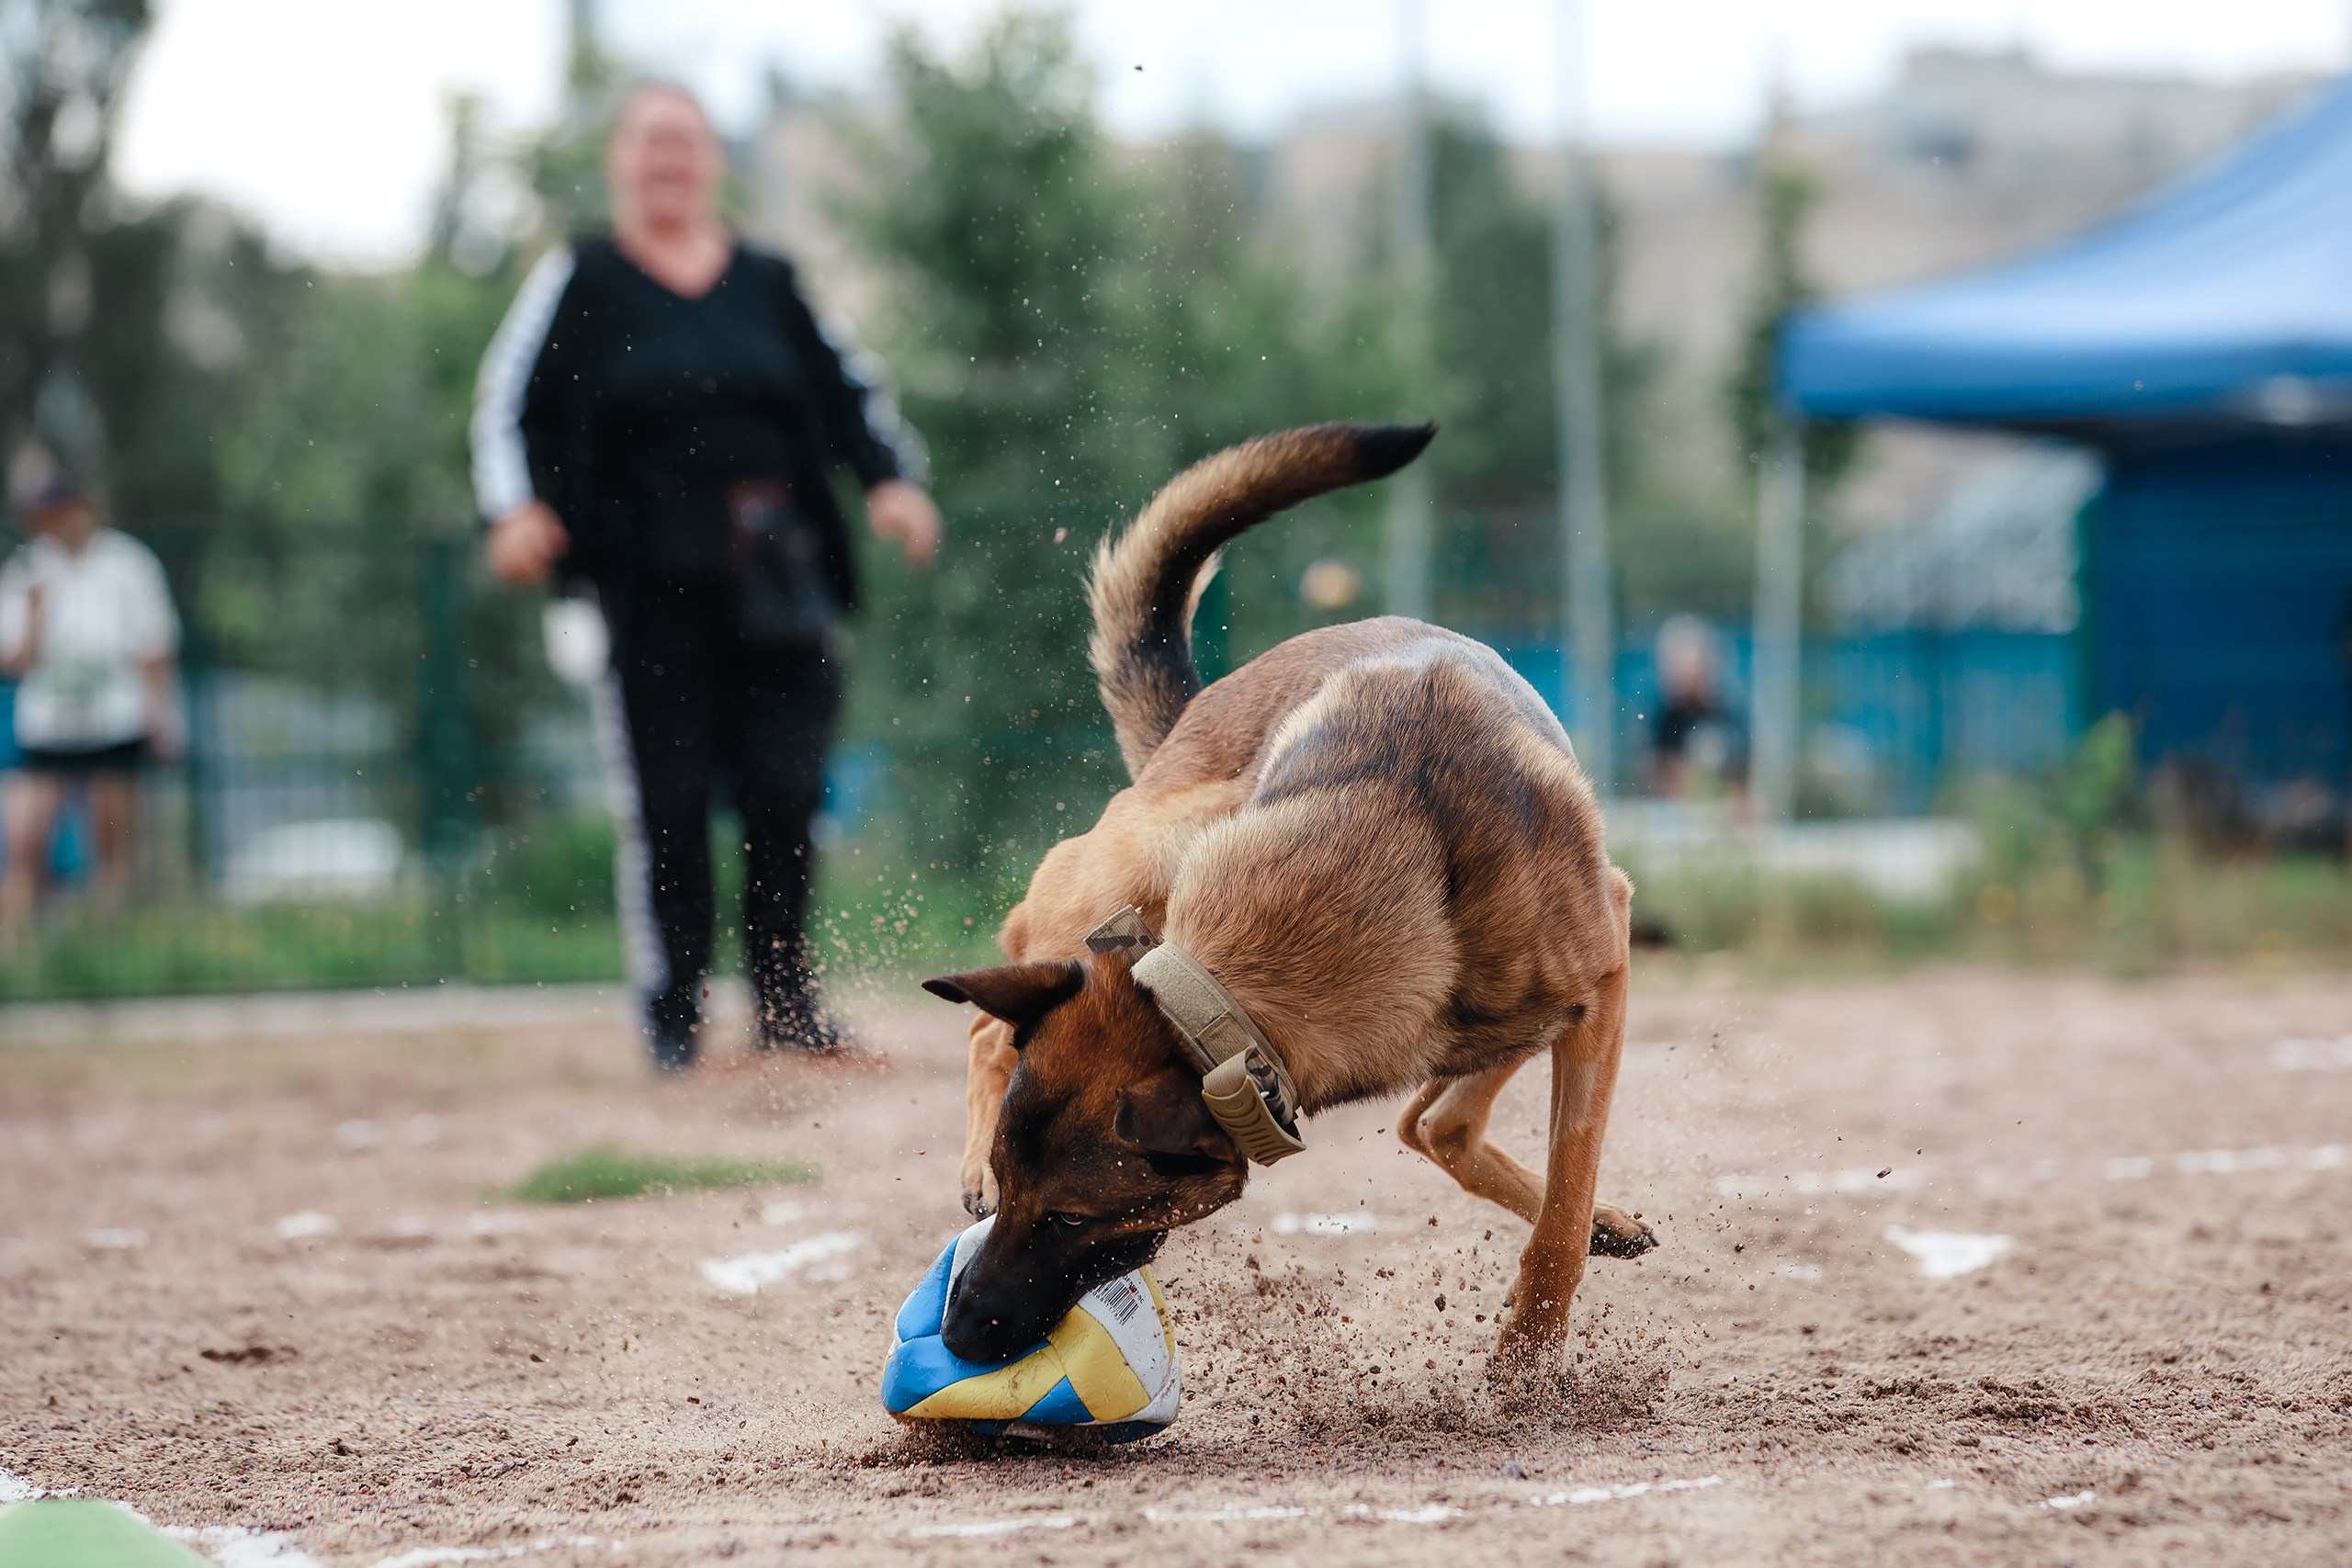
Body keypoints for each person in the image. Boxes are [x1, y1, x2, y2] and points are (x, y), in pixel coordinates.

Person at [471, 82, 941, 1070]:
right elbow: (507, 405)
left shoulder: (772, 279)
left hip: (778, 575)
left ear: (712, 162)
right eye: (651, 145)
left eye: (686, 144)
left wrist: (892, 482)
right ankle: (674, 1013)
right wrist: (515, 509)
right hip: (644, 584)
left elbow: (849, 387)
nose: (669, 162)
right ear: (619, 162)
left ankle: (785, 1001)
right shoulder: (581, 278)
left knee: (785, 790)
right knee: (668, 803)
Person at [0, 448, 183, 937]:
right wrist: (36, 614)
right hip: (49, 725)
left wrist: (161, 716)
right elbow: (14, 660)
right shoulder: (28, 570)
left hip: (113, 722)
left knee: (113, 845)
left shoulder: (128, 564)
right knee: (24, 841)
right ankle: (20, 952)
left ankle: (107, 946)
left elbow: (153, 647)